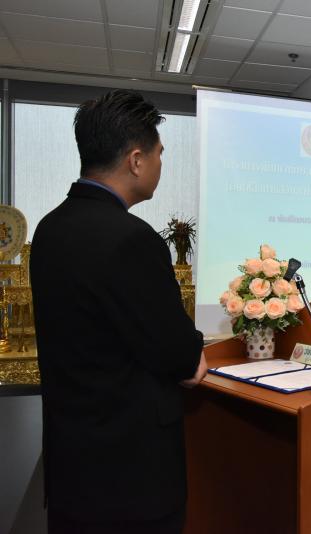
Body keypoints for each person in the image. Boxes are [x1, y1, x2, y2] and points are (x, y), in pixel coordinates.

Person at [30, 89, 207, 534]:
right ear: (136, 160)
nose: (162, 163)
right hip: (131, 485)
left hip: (73, 475)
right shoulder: (133, 240)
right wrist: (192, 351)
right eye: (160, 153)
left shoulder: (49, 229)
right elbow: (184, 360)